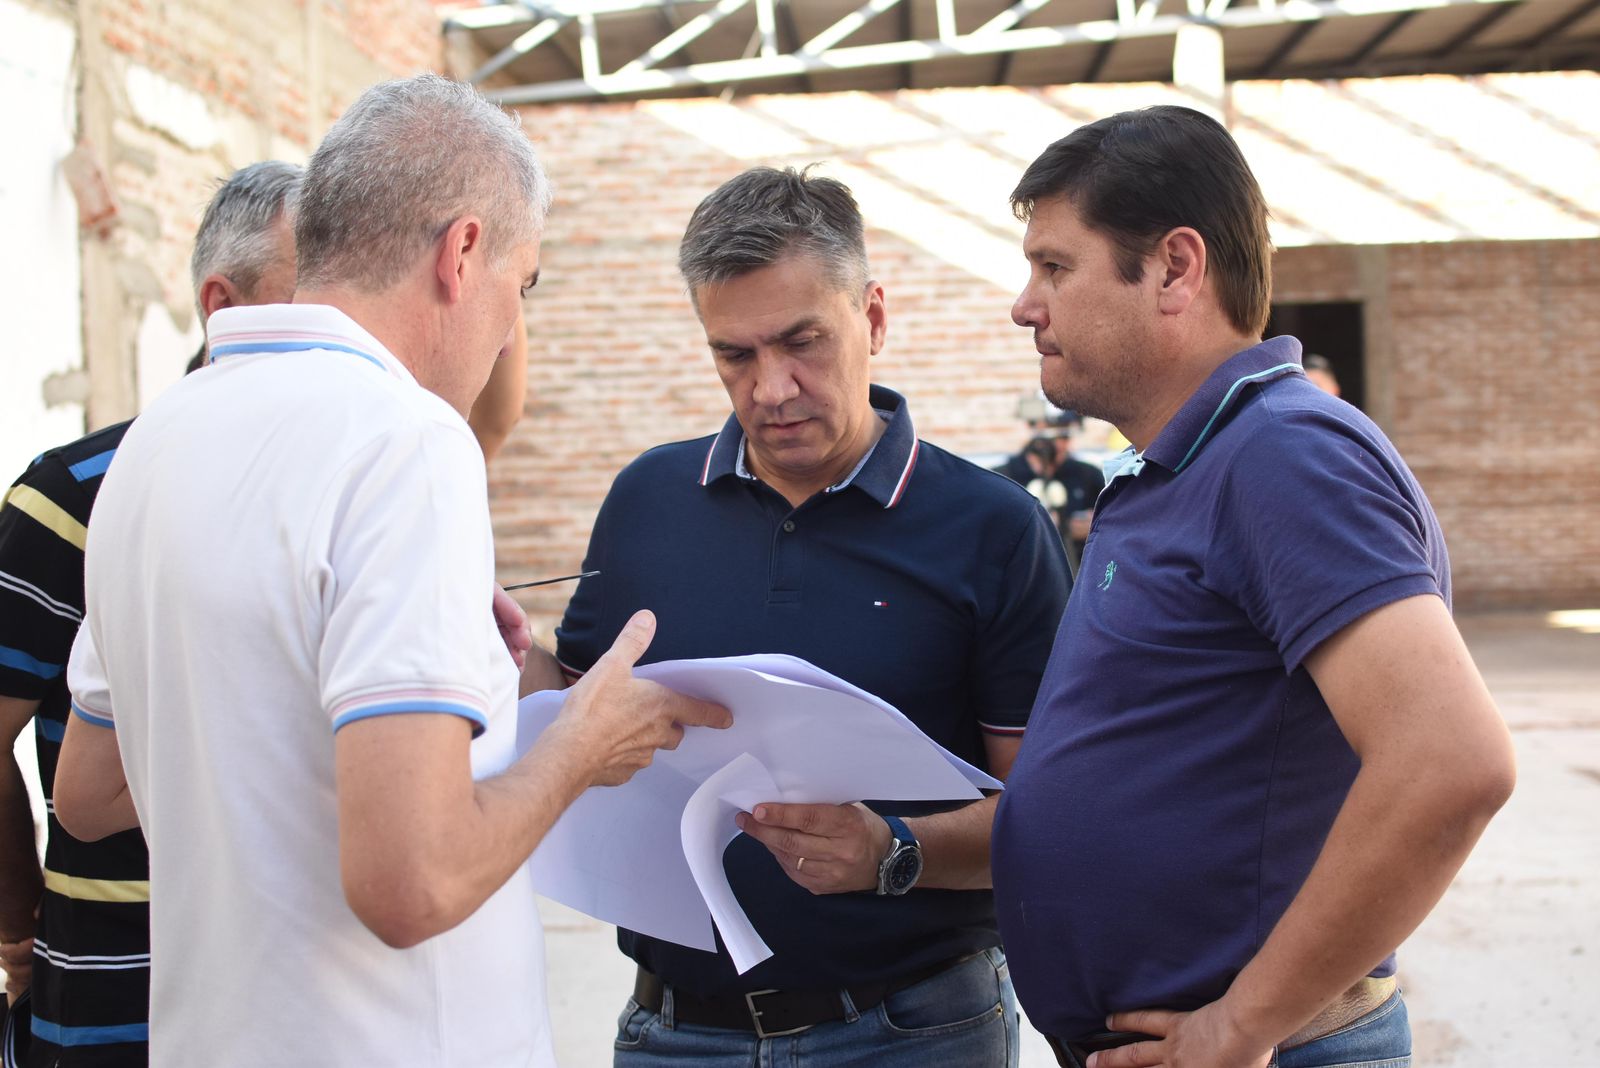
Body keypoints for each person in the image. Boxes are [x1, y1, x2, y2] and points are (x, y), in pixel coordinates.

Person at [51, 74, 728, 1068]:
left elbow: (87, 794)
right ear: (462, 253)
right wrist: (581, 744)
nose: (508, 327)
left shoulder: (158, 439)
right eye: (523, 285)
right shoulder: (407, 442)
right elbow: (413, 886)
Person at [992, 105, 1515, 1068]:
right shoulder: (1185, 465)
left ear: (1175, 269)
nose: (1026, 306)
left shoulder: (1283, 455)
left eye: (1055, 267)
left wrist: (1241, 1025)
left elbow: (1451, 762)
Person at [550, 166, 1072, 1067]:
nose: (772, 389)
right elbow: (569, 715)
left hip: (913, 1033)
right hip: (671, 1034)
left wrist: (893, 851)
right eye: (735, 355)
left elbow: (1053, 818)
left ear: (873, 317)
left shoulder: (993, 529)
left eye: (802, 342)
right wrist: (497, 655)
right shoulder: (645, 499)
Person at [0, 159, 302, 1067]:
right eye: (312, 299)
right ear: (222, 307)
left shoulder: (353, 490)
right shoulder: (72, 495)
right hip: (113, 1003)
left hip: (309, 999)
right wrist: (17, 929)